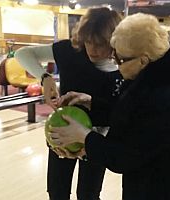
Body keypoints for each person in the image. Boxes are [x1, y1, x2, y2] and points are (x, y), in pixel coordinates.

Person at [50, 13, 170, 200]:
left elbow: (125, 156)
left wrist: (84, 137)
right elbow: (130, 114)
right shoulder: (155, 77)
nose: (116, 65)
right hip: (166, 178)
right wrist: (92, 103)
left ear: (143, 60)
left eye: (119, 60)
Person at [15, 7, 123, 200]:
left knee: (88, 194)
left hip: (97, 140)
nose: (92, 50)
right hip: (61, 132)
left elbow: (121, 112)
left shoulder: (125, 66)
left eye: (100, 44)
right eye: (88, 42)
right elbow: (22, 54)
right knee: (57, 191)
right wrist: (45, 77)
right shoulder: (71, 51)